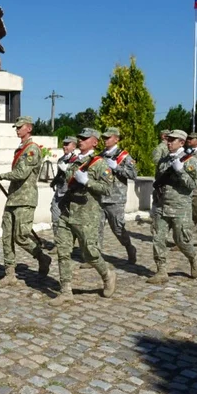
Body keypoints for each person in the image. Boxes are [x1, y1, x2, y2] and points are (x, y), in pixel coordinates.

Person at [50, 128, 116, 306]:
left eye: (85, 138)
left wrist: (87, 181)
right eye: (80, 138)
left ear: (94, 142)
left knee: (90, 254)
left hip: (87, 216)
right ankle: (66, 291)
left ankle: (107, 275)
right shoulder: (74, 160)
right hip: (67, 213)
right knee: (63, 252)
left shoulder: (100, 164)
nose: (81, 141)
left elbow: (108, 189)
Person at [0, 116, 51, 288]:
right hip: (13, 198)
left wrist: (0, 176)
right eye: (16, 127)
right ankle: (10, 274)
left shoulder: (32, 150)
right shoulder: (20, 149)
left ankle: (42, 257)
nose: (17, 130)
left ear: (29, 128)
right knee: (7, 236)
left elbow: (21, 174)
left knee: (21, 236)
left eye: (20, 127)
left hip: (25, 199)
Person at [147, 130, 197, 283]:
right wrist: (154, 204)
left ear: (182, 142)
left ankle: (193, 257)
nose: (169, 142)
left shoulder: (190, 161)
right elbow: (158, 184)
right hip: (161, 206)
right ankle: (161, 271)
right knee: (158, 239)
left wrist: (180, 171)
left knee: (181, 240)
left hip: (180, 207)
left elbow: (192, 185)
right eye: (168, 139)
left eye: (173, 140)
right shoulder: (163, 161)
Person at [98, 127, 137, 263]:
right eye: (104, 137)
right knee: (96, 229)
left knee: (118, 228)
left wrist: (117, 167)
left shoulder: (124, 157)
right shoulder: (100, 155)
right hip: (100, 197)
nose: (105, 140)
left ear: (116, 139)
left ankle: (129, 248)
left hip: (116, 198)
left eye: (108, 137)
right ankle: (95, 257)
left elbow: (133, 175)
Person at [50, 136, 78, 236]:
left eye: (67, 144)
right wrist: (54, 181)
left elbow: (76, 177)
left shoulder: (77, 160)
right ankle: (58, 244)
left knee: (70, 222)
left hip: (70, 195)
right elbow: (59, 175)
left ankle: (70, 244)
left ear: (74, 147)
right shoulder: (61, 159)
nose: (64, 146)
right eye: (64, 144)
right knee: (55, 218)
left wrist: (67, 170)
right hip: (59, 194)